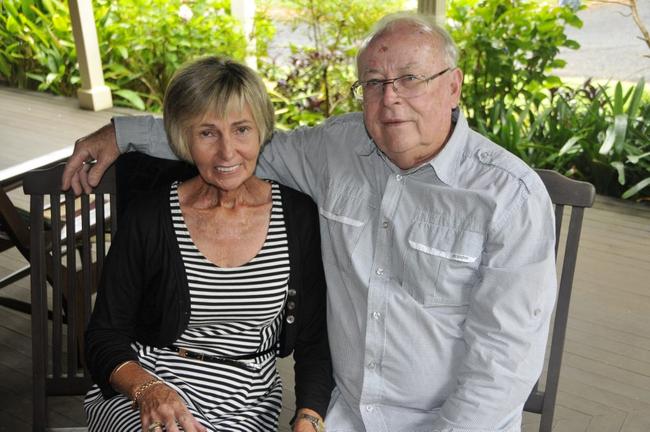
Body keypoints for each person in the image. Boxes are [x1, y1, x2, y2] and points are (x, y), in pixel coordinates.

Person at [67, 13, 557, 432]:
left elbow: (503, 364)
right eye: (374, 83)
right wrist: (122, 132)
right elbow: (236, 143)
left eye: (410, 79)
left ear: (453, 85)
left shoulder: (509, 198)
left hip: (448, 420)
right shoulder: (335, 151)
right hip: (345, 412)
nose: (390, 100)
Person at [83, 56, 332, 432]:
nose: (227, 152)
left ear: (262, 130)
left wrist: (309, 418)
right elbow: (104, 335)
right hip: (148, 390)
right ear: (184, 138)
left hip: (248, 403)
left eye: (242, 130)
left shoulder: (296, 217)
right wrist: (148, 390)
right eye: (207, 133)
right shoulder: (152, 216)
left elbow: (314, 339)